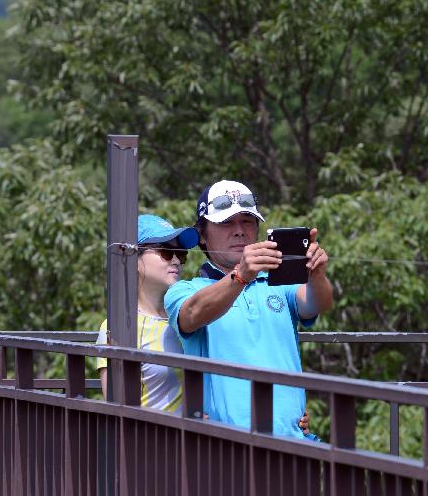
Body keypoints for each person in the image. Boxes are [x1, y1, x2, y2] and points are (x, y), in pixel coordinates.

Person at [164, 180, 333, 438]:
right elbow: (191, 314)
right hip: (225, 446)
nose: (239, 231)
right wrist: (241, 275)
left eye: (247, 221)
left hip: (294, 441)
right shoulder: (185, 289)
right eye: (226, 222)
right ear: (202, 234)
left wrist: (316, 275)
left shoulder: (278, 281)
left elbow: (318, 304)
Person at [96, 214, 199, 414]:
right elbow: (117, 410)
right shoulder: (117, 327)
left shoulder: (191, 316)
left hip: (196, 442)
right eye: (166, 251)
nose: (177, 260)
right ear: (134, 258)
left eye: (180, 253)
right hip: (149, 442)